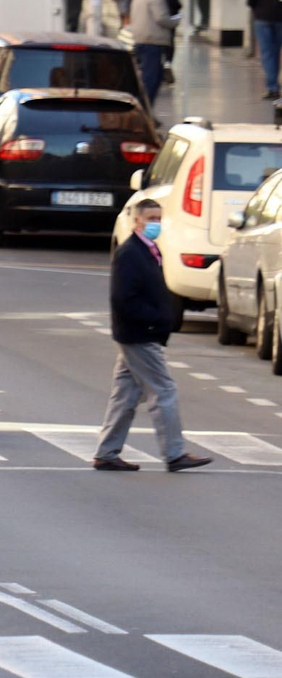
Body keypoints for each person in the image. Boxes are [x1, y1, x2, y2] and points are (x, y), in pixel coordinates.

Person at [93, 200, 212, 473]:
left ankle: (106, 453)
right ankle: (174, 453)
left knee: (126, 394)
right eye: (150, 218)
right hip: (138, 335)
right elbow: (123, 299)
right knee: (163, 390)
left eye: (159, 217)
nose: (155, 222)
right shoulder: (130, 253)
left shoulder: (149, 250)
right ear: (137, 221)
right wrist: (155, 321)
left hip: (139, 334)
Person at [130, 0, 174, 105]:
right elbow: (161, 18)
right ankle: (145, 111)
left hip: (140, 40)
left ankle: (147, 111)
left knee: (150, 77)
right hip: (152, 42)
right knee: (151, 80)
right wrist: (176, 21)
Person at [248, 0, 282, 99]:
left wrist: (253, 6)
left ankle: (272, 86)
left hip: (263, 16)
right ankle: (274, 82)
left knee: (267, 53)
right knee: (275, 51)